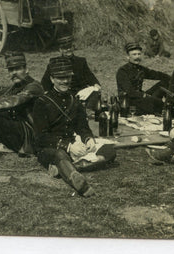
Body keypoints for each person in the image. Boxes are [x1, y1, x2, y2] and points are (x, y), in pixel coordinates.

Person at [34, 57, 116, 197]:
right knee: (59, 154)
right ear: (52, 79)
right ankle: (78, 182)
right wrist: (68, 146)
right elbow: (41, 137)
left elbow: (82, 127)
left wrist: (88, 139)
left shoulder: (74, 100)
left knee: (110, 151)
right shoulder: (42, 102)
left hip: (74, 145)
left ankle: (65, 169)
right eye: (60, 78)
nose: (65, 81)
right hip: (50, 147)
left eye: (67, 77)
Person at [41, 35, 101, 110]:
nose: (68, 50)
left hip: (80, 92)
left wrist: (95, 84)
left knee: (95, 93)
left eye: (70, 47)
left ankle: (87, 111)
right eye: (65, 48)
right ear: (60, 50)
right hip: (62, 91)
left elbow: (90, 76)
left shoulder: (81, 61)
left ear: (73, 47)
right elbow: (45, 81)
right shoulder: (55, 63)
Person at [116, 42, 170, 115]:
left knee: (164, 83)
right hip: (129, 101)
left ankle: (162, 105)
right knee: (159, 103)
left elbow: (156, 74)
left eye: (139, 54)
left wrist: (173, 78)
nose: (137, 57)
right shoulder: (122, 71)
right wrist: (146, 96)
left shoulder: (140, 69)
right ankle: (162, 107)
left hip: (141, 97)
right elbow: (130, 91)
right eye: (134, 54)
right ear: (128, 57)